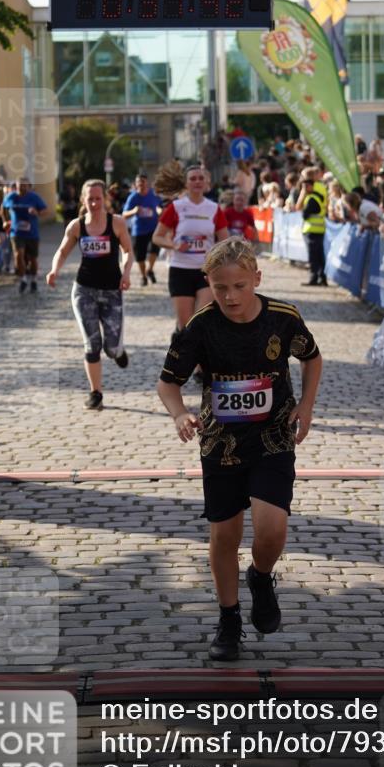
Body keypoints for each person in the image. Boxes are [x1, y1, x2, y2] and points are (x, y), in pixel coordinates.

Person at [157, 237, 322, 660]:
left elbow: (312, 357)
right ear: (208, 283)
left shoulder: (283, 318)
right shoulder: (201, 325)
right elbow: (167, 381)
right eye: (220, 287)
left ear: (257, 280)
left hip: (273, 438)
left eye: (239, 286)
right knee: (225, 534)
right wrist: (178, 414)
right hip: (220, 443)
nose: (230, 296)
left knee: (272, 529)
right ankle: (228, 620)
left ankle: (261, 576)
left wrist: (305, 404)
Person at [46, 179, 133, 410]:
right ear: (83, 200)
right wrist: (54, 270)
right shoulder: (77, 226)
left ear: (105, 198)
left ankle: (118, 351)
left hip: (112, 290)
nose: (94, 203)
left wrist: (126, 273)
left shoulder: (117, 223)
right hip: (84, 291)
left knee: (111, 347)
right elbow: (62, 251)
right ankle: (96, 393)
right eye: (90, 198)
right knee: (91, 343)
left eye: (98, 198)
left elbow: (127, 251)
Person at [152, 162, 229, 335]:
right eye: (193, 178)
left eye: (201, 178)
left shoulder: (213, 208)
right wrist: (174, 245)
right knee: (185, 326)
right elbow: (157, 236)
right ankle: (180, 345)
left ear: (207, 182)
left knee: (201, 322)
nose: (197, 181)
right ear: (186, 183)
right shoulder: (176, 207)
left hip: (206, 271)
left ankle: (199, 363)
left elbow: (225, 240)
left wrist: (220, 256)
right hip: (180, 270)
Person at [3, 177, 48, 293]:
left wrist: (36, 212)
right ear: (16, 186)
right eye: (20, 186)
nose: (22, 188)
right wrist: (5, 221)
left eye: (24, 186)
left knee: (33, 259)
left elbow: (45, 211)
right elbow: (3, 208)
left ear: (28, 187)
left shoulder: (34, 197)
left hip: (32, 233)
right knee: (19, 255)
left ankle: (33, 280)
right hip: (16, 232)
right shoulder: (11, 197)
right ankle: (23, 279)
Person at [122, 173, 161, 286]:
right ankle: (144, 276)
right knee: (140, 256)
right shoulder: (133, 197)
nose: (141, 184)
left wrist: (159, 210)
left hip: (153, 228)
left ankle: (150, 269)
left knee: (154, 250)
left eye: (143, 181)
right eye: (139, 182)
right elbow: (124, 214)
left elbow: (159, 205)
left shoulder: (153, 194)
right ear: (136, 184)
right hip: (138, 230)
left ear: (147, 183)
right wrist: (134, 211)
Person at [296, 168, 327, 286]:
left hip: (311, 228)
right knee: (320, 255)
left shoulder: (310, 192)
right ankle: (321, 277)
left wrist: (303, 193)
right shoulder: (322, 187)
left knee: (313, 255)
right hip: (320, 226)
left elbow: (299, 207)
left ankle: (314, 278)